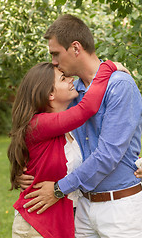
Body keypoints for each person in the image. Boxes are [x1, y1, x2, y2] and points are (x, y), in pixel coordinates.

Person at [20, 14, 142, 238]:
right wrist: (23, 171)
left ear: (75, 48)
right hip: (81, 208)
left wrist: (58, 189)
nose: (54, 62)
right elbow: (38, 134)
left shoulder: (119, 85)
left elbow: (107, 155)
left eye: (55, 53)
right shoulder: (71, 93)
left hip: (119, 209)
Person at [8, 60, 118, 238]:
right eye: (63, 78)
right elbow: (87, 108)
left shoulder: (67, 128)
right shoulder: (39, 124)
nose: (71, 79)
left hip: (61, 224)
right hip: (37, 227)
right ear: (50, 94)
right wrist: (107, 67)